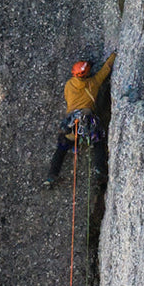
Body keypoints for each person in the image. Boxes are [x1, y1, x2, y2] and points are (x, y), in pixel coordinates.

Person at [44, 52, 115, 186]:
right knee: (98, 141)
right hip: (88, 120)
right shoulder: (93, 83)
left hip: (71, 122)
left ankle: (52, 175)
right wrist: (114, 55)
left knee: (62, 147)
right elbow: (107, 68)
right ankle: (100, 171)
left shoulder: (69, 85)